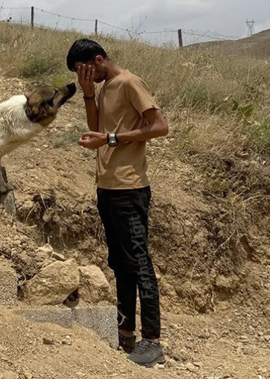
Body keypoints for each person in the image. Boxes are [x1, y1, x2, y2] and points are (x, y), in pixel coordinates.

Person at [66, 38, 169, 367]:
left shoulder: (129, 82)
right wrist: (86, 93)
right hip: (107, 187)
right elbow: (97, 128)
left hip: (130, 187)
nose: (86, 76)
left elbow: (160, 126)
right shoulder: (103, 88)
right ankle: (126, 333)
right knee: (120, 262)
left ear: (98, 60)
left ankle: (152, 340)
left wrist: (110, 139)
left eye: (85, 70)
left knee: (139, 262)